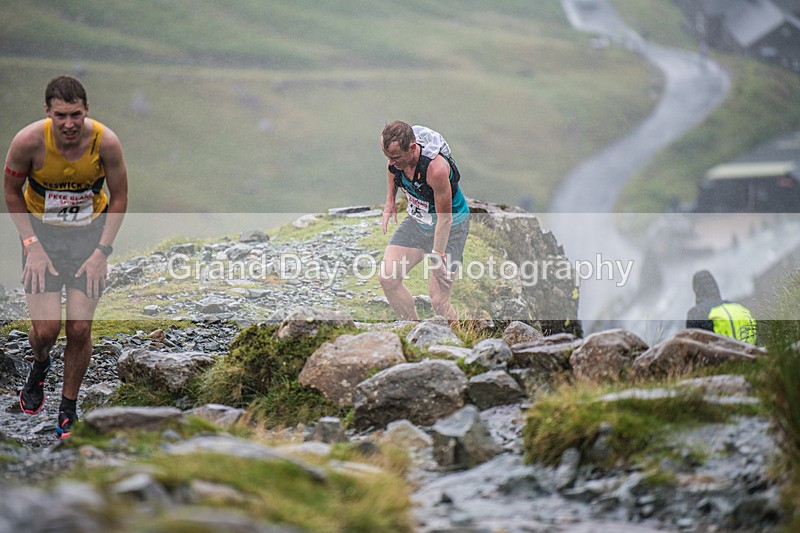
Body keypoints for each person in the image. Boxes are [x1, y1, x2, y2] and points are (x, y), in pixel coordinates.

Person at [4, 75, 128, 439]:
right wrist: (31, 245)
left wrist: (102, 252)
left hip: (89, 239)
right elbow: (11, 191)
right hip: (42, 238)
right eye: (61, 116)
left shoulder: (106, 142)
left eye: (75, 114)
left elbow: (119, 197)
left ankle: (68, 408)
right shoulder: (28, 142)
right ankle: (40, 364)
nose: (69, 124)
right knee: (46, 331)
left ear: (86, 110)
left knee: (79, 328)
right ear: (48, 112)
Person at [379, 121, 470, 321]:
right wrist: (390, 201)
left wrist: (437, 257)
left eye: (395, 157)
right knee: (388, 278)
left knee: (438, 301)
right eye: (388, 157)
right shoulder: (396, 160)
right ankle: (414, 325)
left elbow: (445, 220)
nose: (391, 163)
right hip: (418, 222)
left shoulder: (435, 170)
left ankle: (460, 339)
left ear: (412, 148)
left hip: (451, 227)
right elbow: (392, 169)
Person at [685, 270, 757, 345]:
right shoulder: (738, 308)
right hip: (751, 354)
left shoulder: (696, 313)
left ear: (696, 289)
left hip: (721, 355)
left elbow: (692, 346)